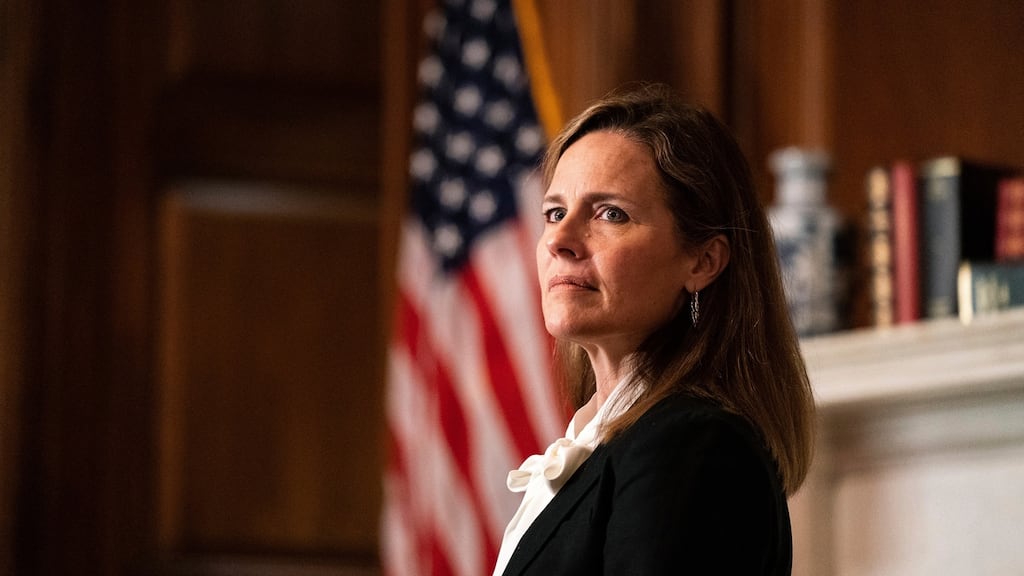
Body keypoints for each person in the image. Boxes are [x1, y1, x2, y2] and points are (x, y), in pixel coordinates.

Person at [492, 83, 816, 576]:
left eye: (610, 213)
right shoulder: (606, 443)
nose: (560, 239)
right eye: (554, 212)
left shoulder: (691, 445)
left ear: (703, 261)